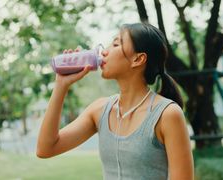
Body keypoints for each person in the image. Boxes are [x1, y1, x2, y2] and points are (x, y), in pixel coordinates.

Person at [36, 22, 194, 180]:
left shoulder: (167, 114)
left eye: (116, 44)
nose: (104, 52)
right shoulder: (99, 110)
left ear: (138, 59)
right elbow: (46, 148)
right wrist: (61, 85)